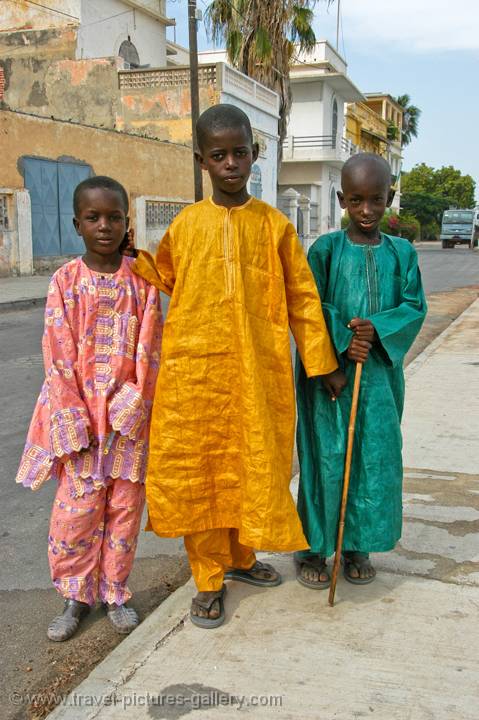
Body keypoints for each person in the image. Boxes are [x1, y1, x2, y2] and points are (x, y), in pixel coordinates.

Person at [133, 104, 342, 628]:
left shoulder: (274, 227)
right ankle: (207, 577)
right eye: (219, 154)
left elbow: (301, 297)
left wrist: (322, 362)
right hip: (196, 378)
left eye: (240, 152)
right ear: (201, 159)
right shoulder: (185, 225)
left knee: (251, 466)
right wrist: (126, 260)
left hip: (257, 374)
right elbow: (164, 279)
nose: (231, 163)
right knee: (202, 472)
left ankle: (243, 559)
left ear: (255, 153)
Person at [16, 176, 162, 641]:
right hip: (78, 420)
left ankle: (116, 592)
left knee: (123, 510)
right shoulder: (65, 280)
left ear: (126, 221)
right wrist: (74, 413)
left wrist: (134, 399)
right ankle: (75, 598)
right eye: (94, 218)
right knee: (74, 514)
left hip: (127, 423)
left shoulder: (143, 279)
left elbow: (151, 345)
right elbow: (56, 353)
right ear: (77, 223)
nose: (105, 226)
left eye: (114, 217)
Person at [295, 153, 427, 589]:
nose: (366, 210)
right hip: (330, 379)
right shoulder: (326, 250)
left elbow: (413, 307)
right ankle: (314, 545)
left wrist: (378, 328)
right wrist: (338, 344)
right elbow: (309, 307)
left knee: (373, 459)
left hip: (379, 383)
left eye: (376, 200)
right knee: (326, 458)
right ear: (341, 199)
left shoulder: (402, 253)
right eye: (356, 200)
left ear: (389, 197)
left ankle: (357, 545)